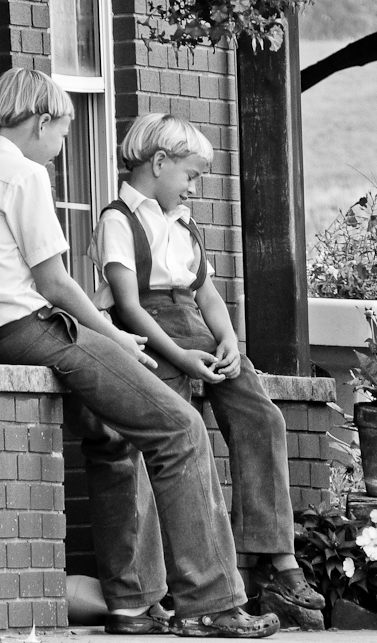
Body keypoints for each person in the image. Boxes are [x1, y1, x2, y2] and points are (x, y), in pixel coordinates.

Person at [0, 68, 280, 639]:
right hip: (32, 331)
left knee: (113, 438)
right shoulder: (22, 174)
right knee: (180, 427)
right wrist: (113, 335)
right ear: (41, 122)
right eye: (64, 132)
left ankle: (130, 605)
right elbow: (56, 284)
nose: (62, 146)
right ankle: (210, 604)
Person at [87, 113, 324, 612]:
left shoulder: (185, 222)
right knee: (172, 443)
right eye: (190, 175)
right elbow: (128, 305)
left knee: (261, 416)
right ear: (158, 163)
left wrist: (229, 339)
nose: (195, 188)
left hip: (196, 328)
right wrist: (178, 357)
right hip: (148, 339)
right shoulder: (118, 221)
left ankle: (272, 555)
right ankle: (176, 581)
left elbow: (207, 293)